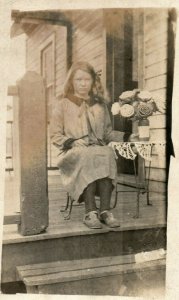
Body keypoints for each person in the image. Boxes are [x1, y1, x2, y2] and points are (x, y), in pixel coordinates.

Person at [50, 61, 136, 229]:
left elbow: (107, 134)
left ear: (93, 81)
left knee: (107, 153)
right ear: (71, 82)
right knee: (89, 155)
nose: (83, 84)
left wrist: (128, 136)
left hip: (96, 151)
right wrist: (73, 141)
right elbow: (54, 135)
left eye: (87, 79)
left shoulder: (100, 105)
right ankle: (90, 212)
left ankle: (104, 211)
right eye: (78, 79)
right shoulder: (62, 104)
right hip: (72, 152)